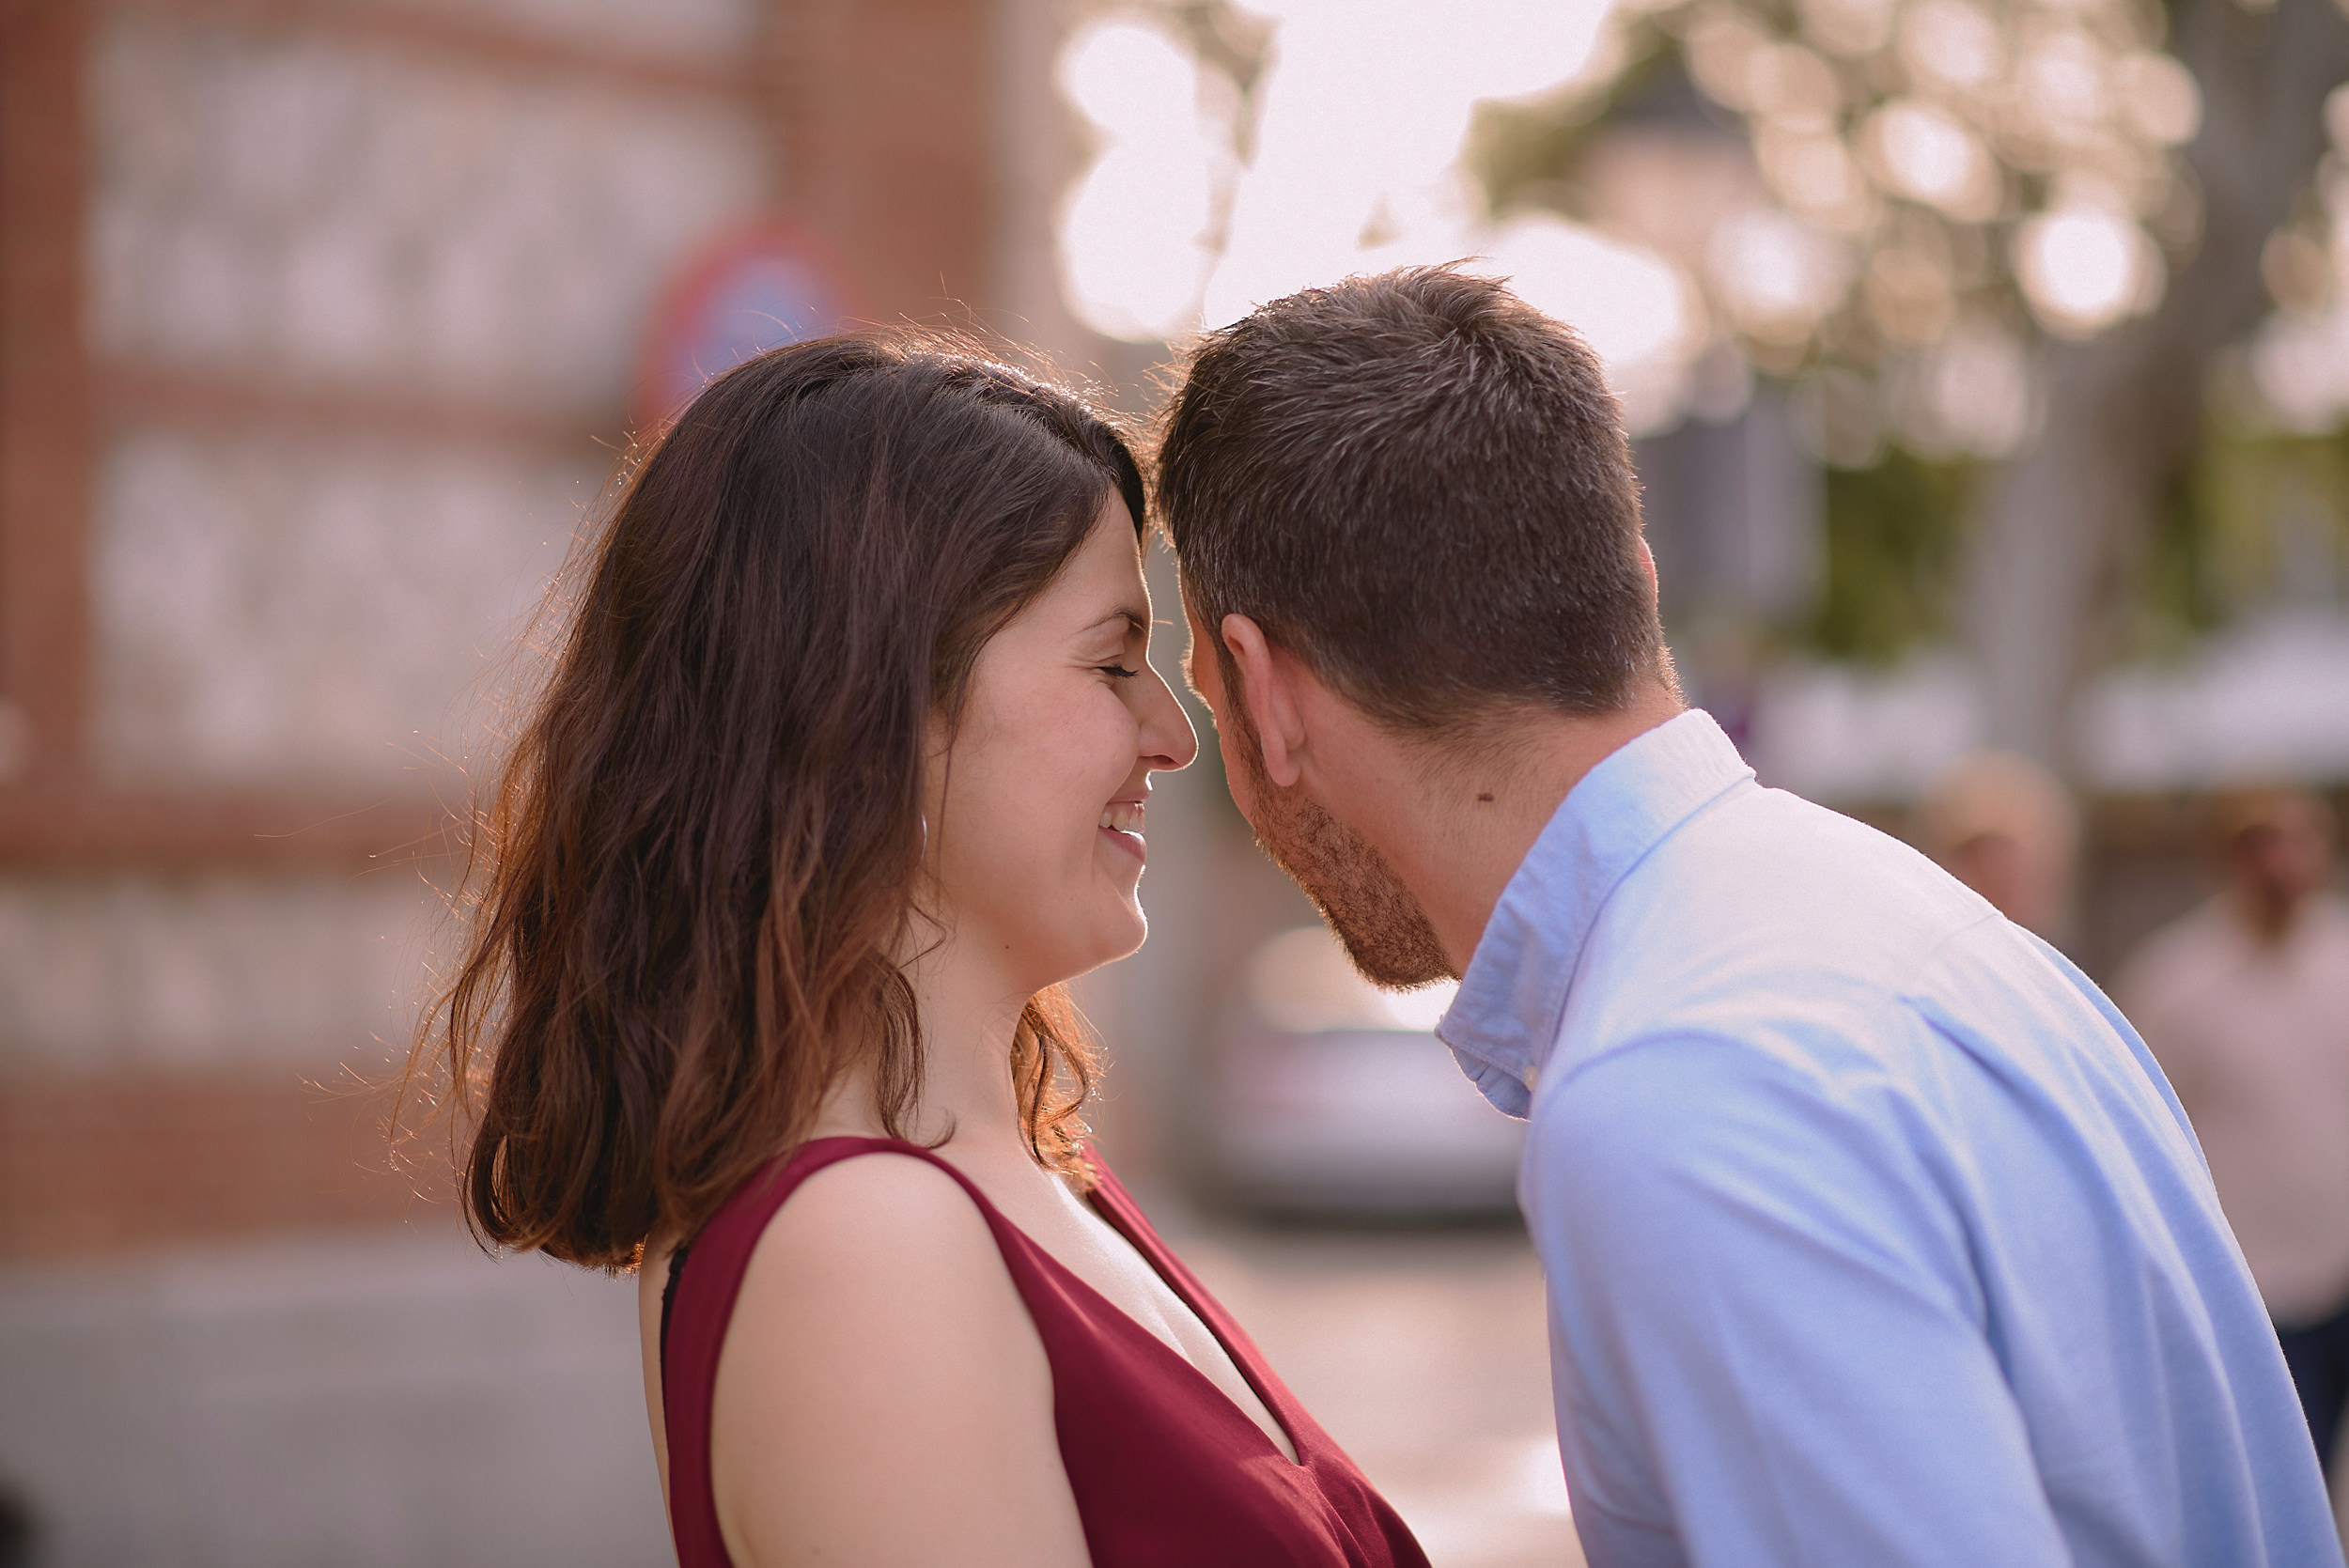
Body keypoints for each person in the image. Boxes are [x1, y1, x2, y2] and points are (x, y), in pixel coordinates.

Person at [1154, 266, 2340, 1566]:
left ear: (1263, 693)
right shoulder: (1908, 927)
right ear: (1641, 582)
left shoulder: (1685, 1081)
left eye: (1200, 692)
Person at [410, 334, 1430, 1568]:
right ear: (875, 702)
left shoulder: (1032, 1180)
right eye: (1113, 660)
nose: (1172, 733)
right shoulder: (865, 1250)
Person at [2121, 786, 2349, 1477]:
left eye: (2293, 840)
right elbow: (2147, 1139)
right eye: (2256, 845)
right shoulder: (2173, 984)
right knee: (2286, 1477)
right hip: (2257, 1290)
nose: (2277, 862)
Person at [1916, 749, 2081, 948]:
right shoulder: (1920, 963)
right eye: (1973, 857)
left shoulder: (2063, 974)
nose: (1992, 872)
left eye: (2005, 857)